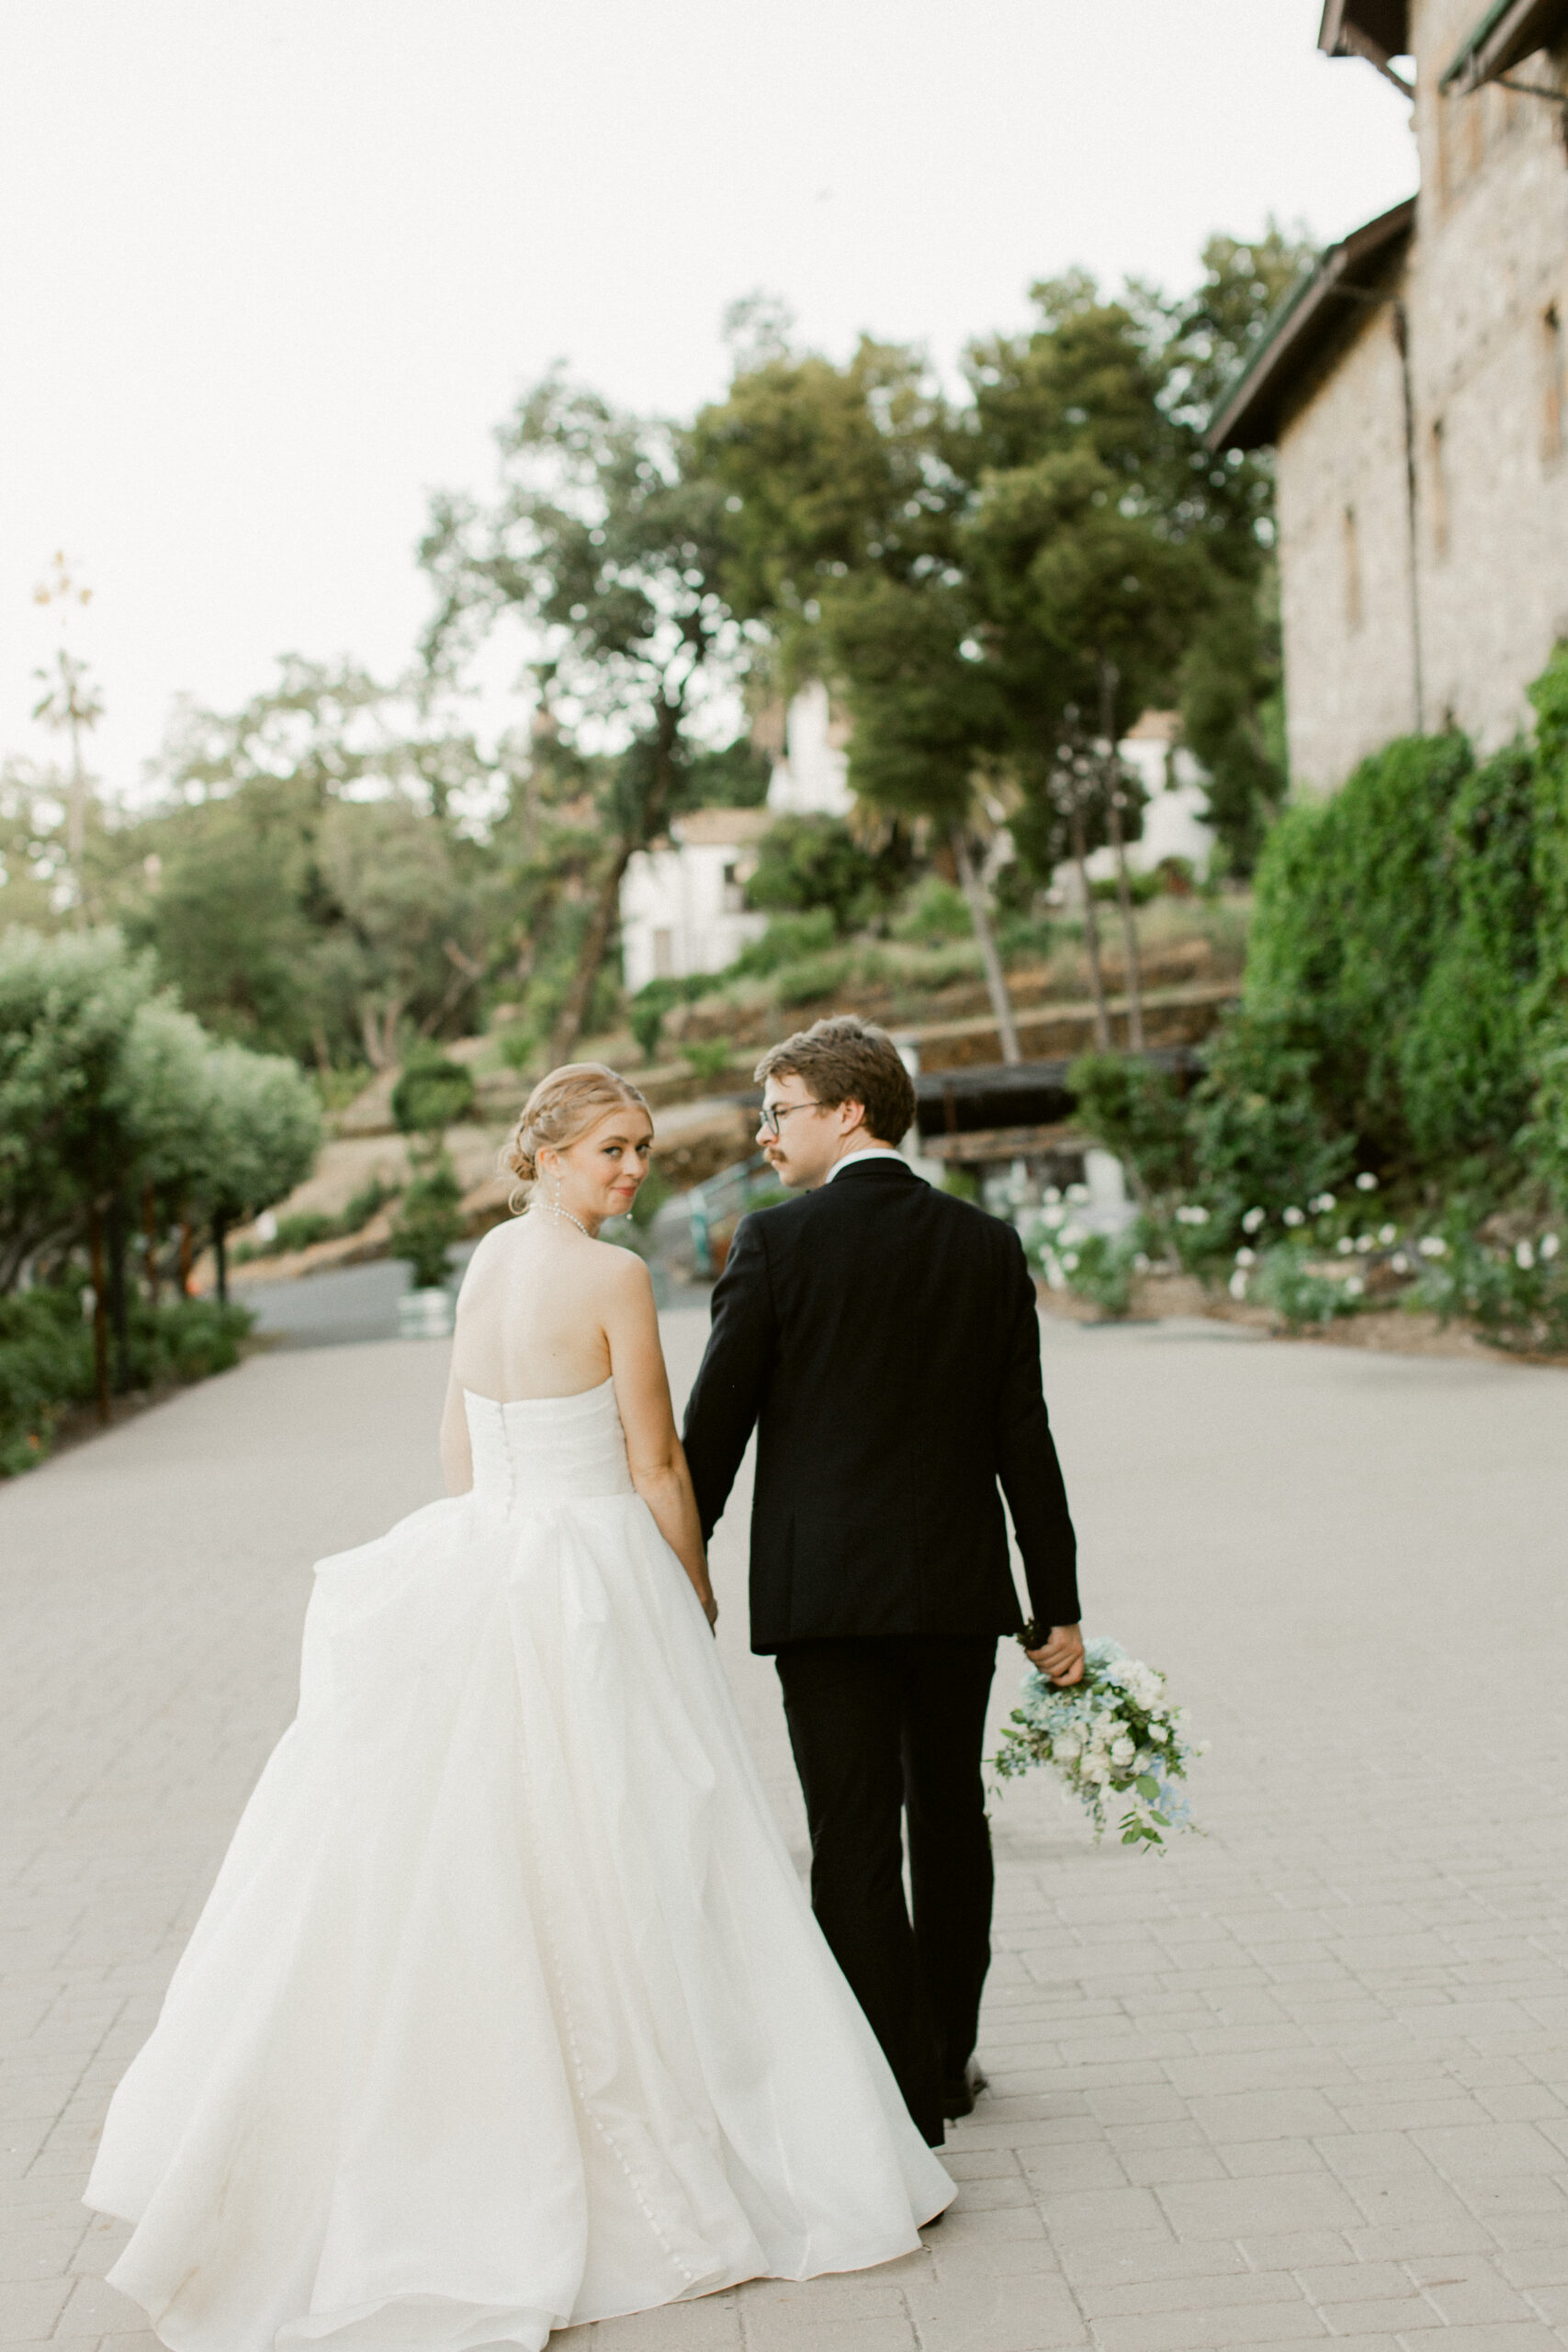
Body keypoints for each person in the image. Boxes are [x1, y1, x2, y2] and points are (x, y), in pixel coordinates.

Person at [85, 1062, 951, 2352]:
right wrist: (688, 1596)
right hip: (593, 1566)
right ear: (542, 1150)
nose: (630, 1170)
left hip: (489, 1555)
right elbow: (657, 1462)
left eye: (642, 1149)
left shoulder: (489, 1262)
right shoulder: (610, 1280)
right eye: (609, 1148)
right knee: (634, 1837)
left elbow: (458, 1431)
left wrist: (483, 1536)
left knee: (503, 1843)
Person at [682, 1016, 1083, 2148]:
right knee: (951, 1816)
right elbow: (1025, 1438)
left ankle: (893, 2086)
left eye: (780, 1111)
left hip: (829, 1603)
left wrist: (674, 1560)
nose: (765, 1135)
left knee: (851, 1836)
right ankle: (947, 2059)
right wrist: (1054, 1599)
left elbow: (712, 1437)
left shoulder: (773, 1246)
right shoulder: (984, 1245)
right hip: (959, 1593)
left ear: (847, 1111)